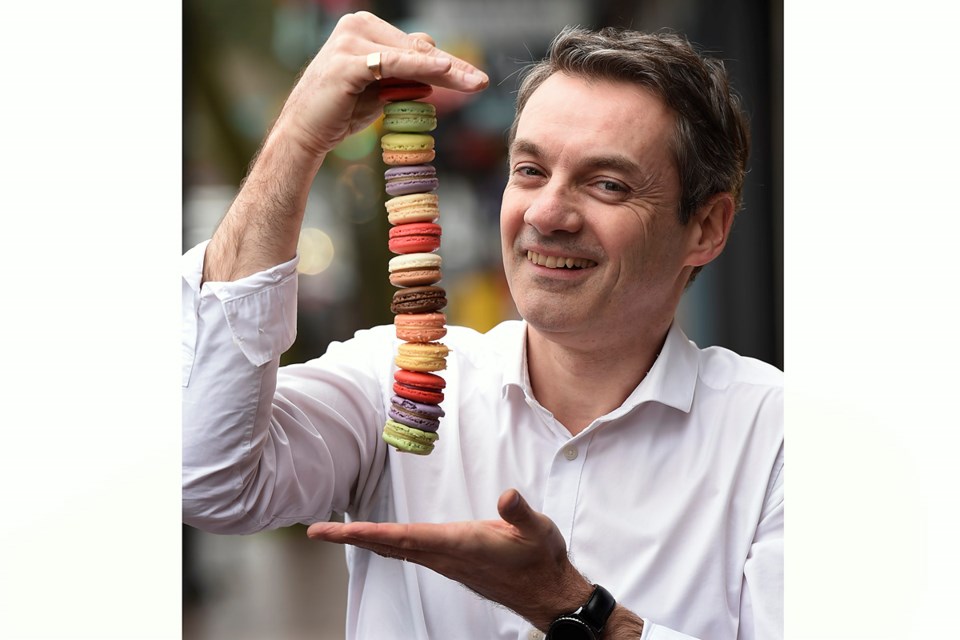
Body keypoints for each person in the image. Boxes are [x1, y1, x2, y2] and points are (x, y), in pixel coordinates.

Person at [182, 10, 782, 640]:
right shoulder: (397, 381)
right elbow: (209, 480)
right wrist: (297, 140)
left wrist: (573, 609)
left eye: (606, 184)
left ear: (707, 228)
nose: (548, 213)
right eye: (529, 171)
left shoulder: (777, 441)